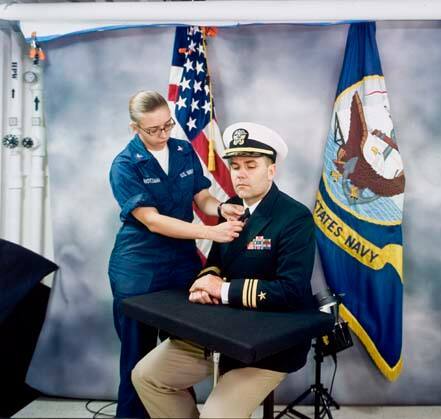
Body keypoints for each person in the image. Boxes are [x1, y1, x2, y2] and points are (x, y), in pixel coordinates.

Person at [132, 122, 316, 418]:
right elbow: (215, 261)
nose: (240, 173)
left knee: (216, 416)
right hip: (220, 330)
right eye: (235, 166)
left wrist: (223, 289)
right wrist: (206, 282)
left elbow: (292, 291)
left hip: (269, 344)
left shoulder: (294, 218)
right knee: (147, 376)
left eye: (251, 165)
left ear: (271, 170)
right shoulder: (230, 207)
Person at [108, 91, 245, 418]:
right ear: (135, 128)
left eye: (167, 125)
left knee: (178, 354)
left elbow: (202, 197)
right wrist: (210, 232)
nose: (163, 134)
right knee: (137, 359)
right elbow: (152, 220)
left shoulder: (183, 150)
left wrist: (222, 208)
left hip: (181, 264)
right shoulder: (124, 165)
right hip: (138, 268)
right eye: (153, 129)